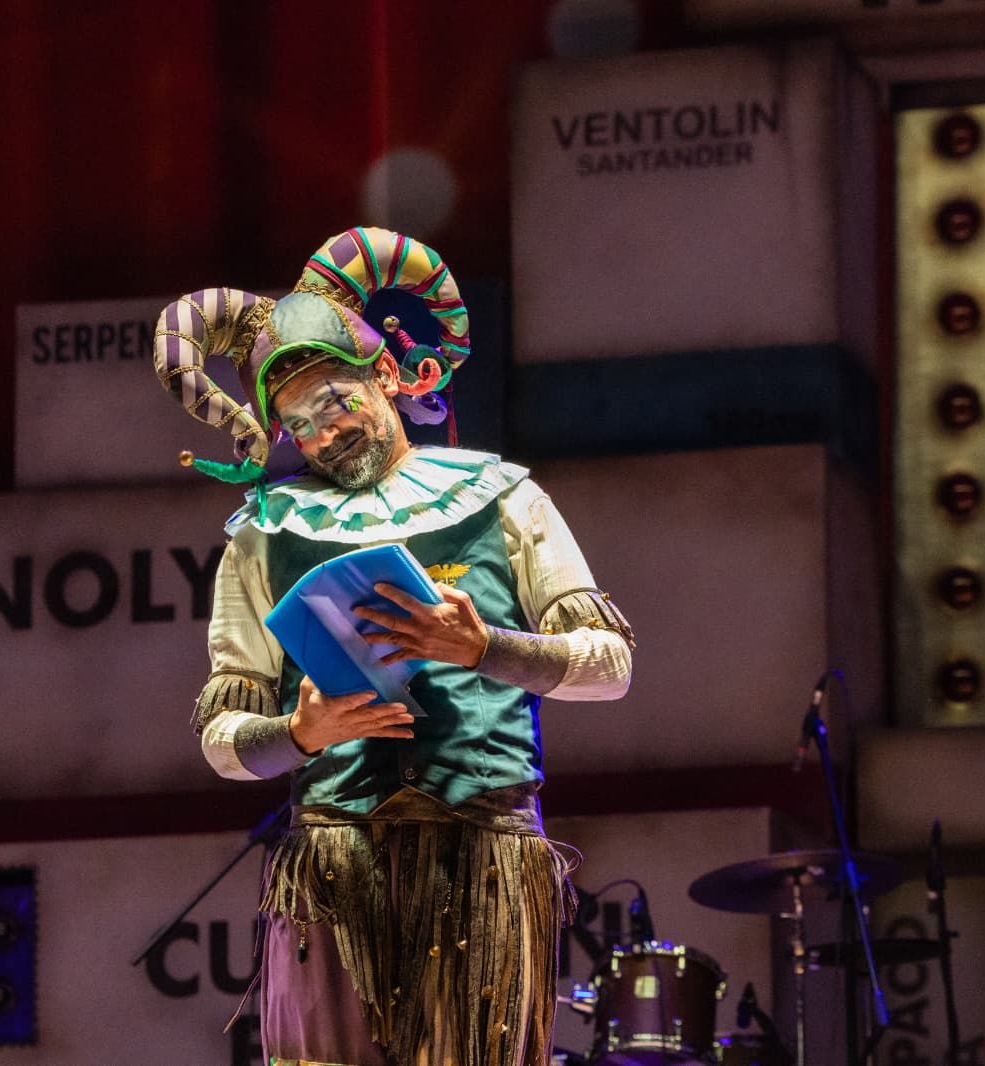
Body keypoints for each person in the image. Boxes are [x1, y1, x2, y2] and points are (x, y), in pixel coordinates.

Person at [152, 227, 635, 1066]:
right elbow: (222, 744)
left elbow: (610, 667)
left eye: (336, 401)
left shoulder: (502, 498)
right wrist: (299, 735)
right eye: (299, 425)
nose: (326, 433)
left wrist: (486, 647)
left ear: (384, 374)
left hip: (482, 855)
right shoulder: (263, 537)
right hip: (337, 861)